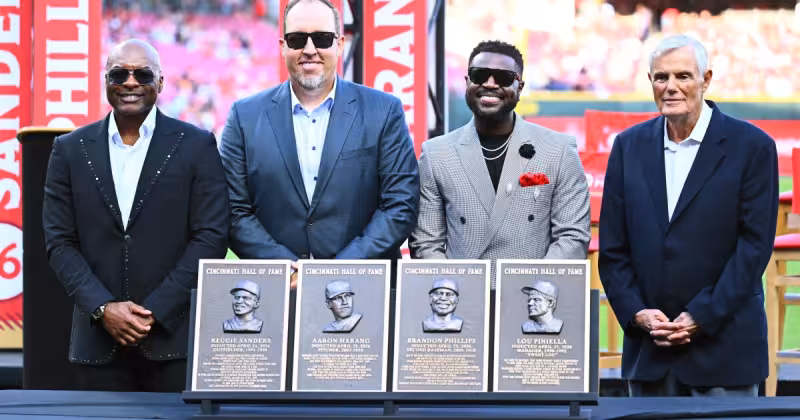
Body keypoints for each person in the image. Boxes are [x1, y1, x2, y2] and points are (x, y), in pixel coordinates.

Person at [42, 39, 230, 392]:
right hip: (96, 346)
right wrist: (103, 308)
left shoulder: (197, 145)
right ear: (106, 81)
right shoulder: (69, 150)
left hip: (174, 346)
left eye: (142, 74)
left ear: (160, 82)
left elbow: (211, 237)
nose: (130, 82)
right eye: (119, 74)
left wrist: (154, 311)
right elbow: (59, 242)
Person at [599, 34, 778, 397]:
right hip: (650, 354)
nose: (671, 87)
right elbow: (614, 249)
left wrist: (703, 315)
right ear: (650, 81)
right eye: (661, 77)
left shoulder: (754, 147)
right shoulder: (627, 147)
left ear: (706, 79)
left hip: (724, 354)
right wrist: (636, 314)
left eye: (683, 76)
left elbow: (753, 248)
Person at [220, 0, 419, 285]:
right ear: (282, 46)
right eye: (298, 39)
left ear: (340, 44)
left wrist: (335, 271)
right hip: (275, 292)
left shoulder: (384, 111)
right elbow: (233, 211)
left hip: (364, 291)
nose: (310, 49)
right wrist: (285, 267)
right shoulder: (244, 116)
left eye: (322, 39)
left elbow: (400, 205)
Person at [409, 40, 590, 287]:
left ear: (520, 86)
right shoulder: (436, 154)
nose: (490, 84)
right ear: (467, 82)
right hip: (462, 303)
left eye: (503, 78)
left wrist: (534, 291)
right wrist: (456, 292)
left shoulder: (558, 150)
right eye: (480, 75)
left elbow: (572, 237)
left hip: (531, 302)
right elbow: (426, 242)